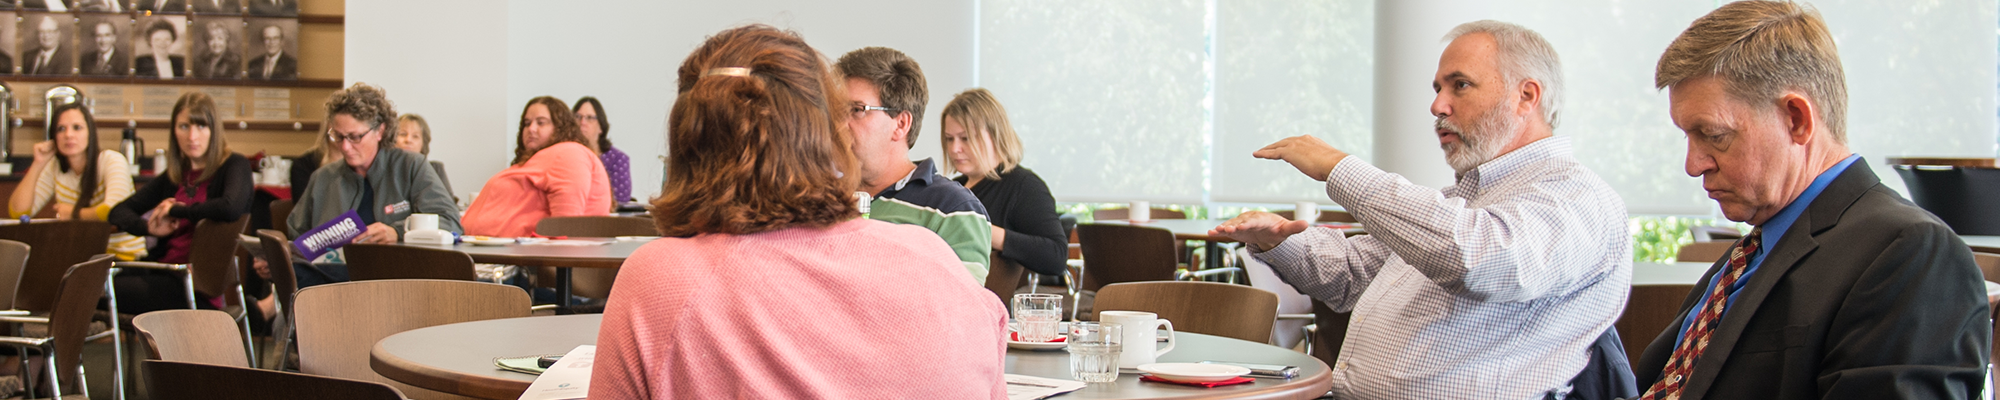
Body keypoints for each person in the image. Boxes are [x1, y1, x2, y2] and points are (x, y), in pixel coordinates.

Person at [1208, 20, 1631, 399]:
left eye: (1459, 85)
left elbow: (1480, 260)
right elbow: (1355, 273)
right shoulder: (1462, 202)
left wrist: (1341, 169)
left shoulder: (1577, 196)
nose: (1438, 106)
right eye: (1437, 89)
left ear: (1526, 96)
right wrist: (1277, 242)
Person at [591, 24, 1006, 399]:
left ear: (687, 140)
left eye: (857, 111)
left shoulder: (657, 279)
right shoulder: (936, 261)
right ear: (822, 132)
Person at [1632, 2, 1989, 399]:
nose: (1693, 165)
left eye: (1714, 135)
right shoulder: (1754, 248)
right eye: (1688, 136)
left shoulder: (1910, 253)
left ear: (1796, 119)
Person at [834, 46, 992, 282]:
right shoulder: (816, 198)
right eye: (835, 111)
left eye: (856, 110)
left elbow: (962, 312)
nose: (837, 125)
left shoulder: (952, 209)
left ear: (900, 124)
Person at [287, 83, 461, 287]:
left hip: (398, 283)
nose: (345, 146)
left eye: (355, 137)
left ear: (380, 131)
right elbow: (296, 237)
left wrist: (398, 232)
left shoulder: (410, 166)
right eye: (339, 136)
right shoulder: (323, 178)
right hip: (331, 287)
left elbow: (450, 221)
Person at [107, 92, 253, 315]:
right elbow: (118, 212)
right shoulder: (175, 176)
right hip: (164, 272)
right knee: (89, 283)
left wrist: (177, 210)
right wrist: (149, 228)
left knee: (99, 291)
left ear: (214, 130)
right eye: (184, 127)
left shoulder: (234, 165)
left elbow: (230, 207)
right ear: (174, 131)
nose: (192, 136)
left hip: (197, 286)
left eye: (201, 127)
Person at [941, 88, 1066, 277]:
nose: (955, 148)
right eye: (949, 139)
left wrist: (983, 231)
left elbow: (1056, 257)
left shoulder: (1023, 187)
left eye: (965, 138)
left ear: (994, 135)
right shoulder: (950, 189)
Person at [8, 102, 146, 260]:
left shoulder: (111, 160)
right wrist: (38, 163)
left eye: (77, 128)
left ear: (90, 133)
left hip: (122, 257)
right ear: (54, 137)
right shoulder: (55, 167)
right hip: (81, 255)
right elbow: (18, 212)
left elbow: (112, 212)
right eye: (61, 129)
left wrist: (72, 213)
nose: (68, 135)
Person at [460, 97, 610, 237]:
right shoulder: (540, 159)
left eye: (541, 122)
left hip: (529, 259)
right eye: (527, 123)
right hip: (497, 254)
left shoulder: (569, 153)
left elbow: (565, 227)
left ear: (560, 127)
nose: (531, 129)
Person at [573, 96, 630, 204]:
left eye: (589, 118)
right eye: (577, 116)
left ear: (601, 127)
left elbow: (621, 200)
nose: (582, 122)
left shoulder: (617, 159)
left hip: (604, 218)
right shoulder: (564, 156)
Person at [394, 113, 453, 196]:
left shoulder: (435, 170)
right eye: (403, 134)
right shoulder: (382, 170)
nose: (408, 140)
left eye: (415, 136)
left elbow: (448, 205)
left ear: (423, 144)